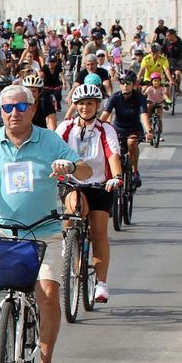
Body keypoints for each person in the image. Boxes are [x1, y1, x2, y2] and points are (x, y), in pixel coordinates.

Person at [0, 83, 92, 363]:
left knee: (48, 292)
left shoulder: (50, 140)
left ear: (32, 109)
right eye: (7, 108)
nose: (13, 113)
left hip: (43, 231)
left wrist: (70, 165)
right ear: (0, 111)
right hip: (1, 229)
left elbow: (84, 170)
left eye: (20, 107)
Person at [58, 84, 123, 304]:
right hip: (73, 182)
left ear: (97, 106)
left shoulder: (106, 129)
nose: (85, 107)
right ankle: (68, 241)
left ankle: (101, 283)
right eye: (81, 103)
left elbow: (113, 155)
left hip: (100, 185)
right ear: (75, 106)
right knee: (74, 206)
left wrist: (116, 176)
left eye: (90, 103)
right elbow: (52, 150)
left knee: (98, 232)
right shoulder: (66, 127)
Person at [100, 72, 152, 186]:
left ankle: (134, 171)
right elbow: (105, 114)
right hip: (118, 129)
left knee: (131, 143)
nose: (125, 85)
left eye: (128, 83)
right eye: (122, 82)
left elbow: (143, 114)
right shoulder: (115, 97)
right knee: (115, 151)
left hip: (134, 128)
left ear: (133, 84)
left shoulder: (139, 97)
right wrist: (95, 127)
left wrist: (148, 131)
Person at [164, 29, 182, 95]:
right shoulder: (166, 41)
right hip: (169, 60)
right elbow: (161, 51)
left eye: (168, 36)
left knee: (178, 73)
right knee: (167, 75)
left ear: (173, 35)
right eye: (166, 36)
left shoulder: (180, 43)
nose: (167, 37)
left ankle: (177, 88)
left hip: (179, 60)